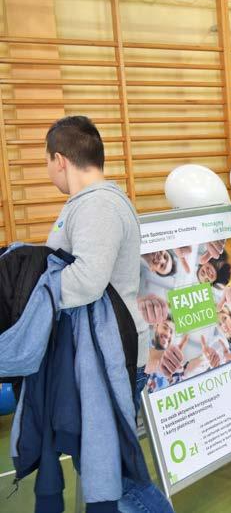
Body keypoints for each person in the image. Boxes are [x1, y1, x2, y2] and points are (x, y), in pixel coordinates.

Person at [44, 116, 145, 409]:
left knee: (105, 455)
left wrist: (32, 288)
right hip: (100, 352)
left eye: (47, 162)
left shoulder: (97, 205)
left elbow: (88, 280)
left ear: (60, 161)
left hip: (110, 354)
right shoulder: (88, 202)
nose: (48, 170)